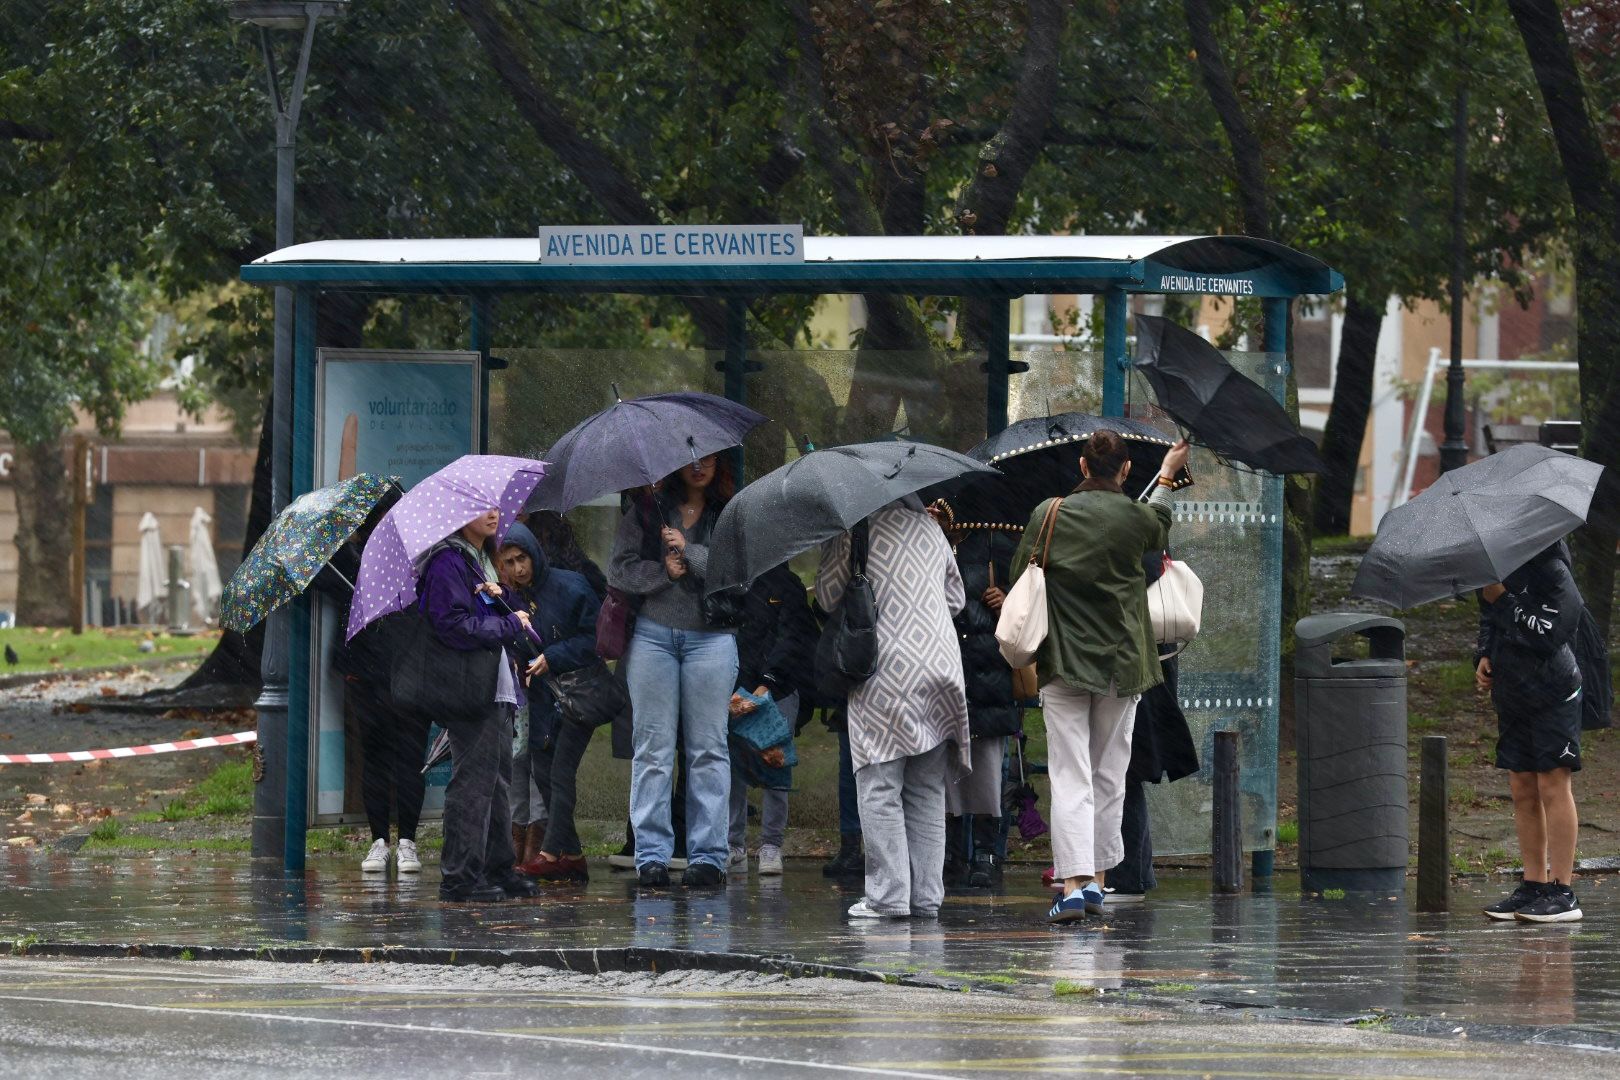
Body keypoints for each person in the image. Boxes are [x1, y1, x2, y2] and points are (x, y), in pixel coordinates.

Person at [1012, 432, 1188, 925]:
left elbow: (1019, 572)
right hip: (1123, 663)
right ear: (1127, 469)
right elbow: (1158, 523)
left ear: (1083, 464)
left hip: (1065, 662)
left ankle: (1071, 886)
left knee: (1072, 777)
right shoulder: (1136, 518)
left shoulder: (1050, 513)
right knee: (1110, 775)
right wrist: (1169, 472)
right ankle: (1100, 884)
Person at [816, 495, 970, 920]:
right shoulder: (930, 527)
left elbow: (830, 597)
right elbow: (955, 599)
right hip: (940, 668)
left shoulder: (854, 529)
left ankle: (887, 898)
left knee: (880, 783)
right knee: (926, 788)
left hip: (885, 668)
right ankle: (924, 897)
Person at [610, 454, 739, 888]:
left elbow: (740, 575)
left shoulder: (729, 512)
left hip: (712, 638)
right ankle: (650, 856)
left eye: (707, 459)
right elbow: (620, 568)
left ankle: (708, 856)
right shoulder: (646, 510)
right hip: (652, 637)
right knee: (653, 749)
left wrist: (692, 553)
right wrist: (662, 571)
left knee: (708, 749)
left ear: (719, 464)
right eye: (689, 459)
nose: (699, 466)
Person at [417, 509, 542, 903]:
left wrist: (501, 601)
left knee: (498, 781)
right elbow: (451, 625)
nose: (491, 513)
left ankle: (497, 868)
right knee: (473, 784)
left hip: (495, 687)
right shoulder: (447, 562)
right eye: (478, 506)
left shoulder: (476, 561)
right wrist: (507, 624)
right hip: (469, 690)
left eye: (493, 505)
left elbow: (477, 619)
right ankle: (459, 877)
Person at [1477, 541, 1586, 923]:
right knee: (1522, 786)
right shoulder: (1496, 565)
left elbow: (1548, 635)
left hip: (1554, 692)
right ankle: (1534, 885)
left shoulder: (1553, 570)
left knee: (1552, 785)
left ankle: (1563, 891)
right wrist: (1484, 655)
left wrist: (1503, 599)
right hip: (1514, 694)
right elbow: (1489, 620)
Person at [495, 522, 601, 881]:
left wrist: (554, 657)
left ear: (533, 553)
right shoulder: (514, 599)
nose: (517, 569)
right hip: (541, 699)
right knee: (543, 773)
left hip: (577, 696)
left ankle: (551, 851)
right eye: (508, 562)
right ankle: (572, 855)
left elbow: (596, 639)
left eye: (521, 558)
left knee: (559, 772)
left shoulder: (570, 585)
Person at [932, 506, 1024, 888]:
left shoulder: (1000, 540)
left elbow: (1030, 591)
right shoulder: (937, 545)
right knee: (946, 765)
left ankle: (986, 852)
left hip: (989, 662)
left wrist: (1009, 601)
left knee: (987, 766)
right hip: (948, 659)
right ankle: (952, 851)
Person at [1106, 551, 1200, 903]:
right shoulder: (1147, 527)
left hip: (1139, 662)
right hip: (1149, 658)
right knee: (1129, 767)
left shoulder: (1135, 532)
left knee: (1124, 768)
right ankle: (1135, 873)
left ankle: (1125, 875)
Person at [727, 562, 817, 876]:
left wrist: (768, 681)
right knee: (733, 766)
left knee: (775, 764)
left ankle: (771, 845)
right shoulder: (733, 583)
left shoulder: (788, 585)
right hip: (737, 689)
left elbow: (794, 638)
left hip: (778, 691)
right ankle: (733, 844)